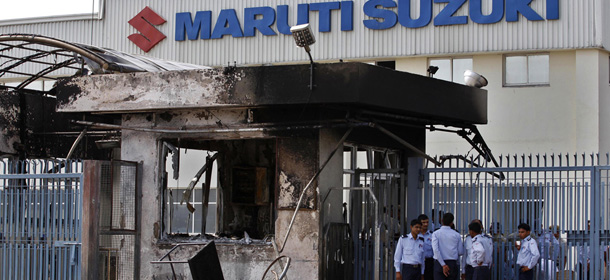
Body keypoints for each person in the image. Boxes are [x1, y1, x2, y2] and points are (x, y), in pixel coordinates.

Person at [432, 212, 464, 280]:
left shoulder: (435, 234)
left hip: (439, 263)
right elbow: (460, 252)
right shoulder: (456, 234)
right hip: (452, 263)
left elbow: (436, 250)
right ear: (451, 223)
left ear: (442, 221)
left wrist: (443, 265)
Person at [418, 214, 435, 280]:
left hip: (429, 262)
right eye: (423, 222)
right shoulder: (416, 235)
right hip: (418, 261)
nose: (425, 224)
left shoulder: (432, 235)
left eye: (427, 222)